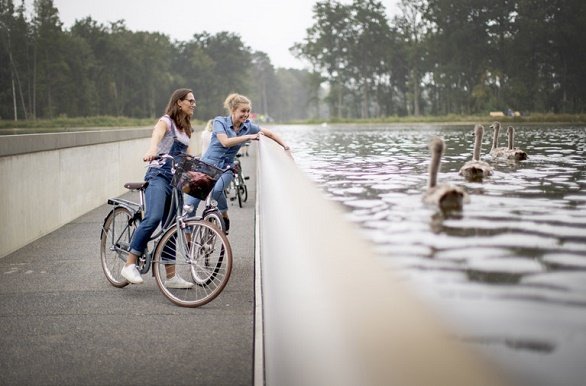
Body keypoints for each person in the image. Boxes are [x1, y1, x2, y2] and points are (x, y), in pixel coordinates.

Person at [120, 88, 197, 288]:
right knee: (153, 217)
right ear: (179, 102)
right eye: (190, 100)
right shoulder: (167, 121)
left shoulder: (186, 128)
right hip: (159, 176)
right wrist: (153, 148)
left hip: (176, 180)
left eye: (194, 101)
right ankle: (129, 264)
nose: (193, 104)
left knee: (172, 227)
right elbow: (157, 134)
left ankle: (171, 277)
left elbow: (188, 156)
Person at [185, 93, 291, 232]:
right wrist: (249, 137)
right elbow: (225, 142)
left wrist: (286, 147)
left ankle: (223, 214)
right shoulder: (219, 122)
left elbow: (270, 134)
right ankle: (188, 243)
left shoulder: (248, 126)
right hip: (206, 166)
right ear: (233, 110)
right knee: (190, 207)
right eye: (243, 111)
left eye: (248, 111)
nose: (246, 114)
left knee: (216, 190)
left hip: (227, 167)